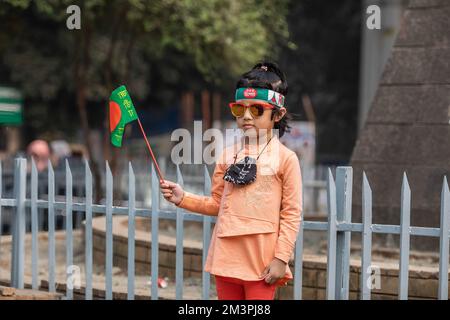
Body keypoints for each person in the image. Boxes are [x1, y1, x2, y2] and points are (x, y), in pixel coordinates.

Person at [160, 61, 302, 300]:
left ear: (277, 114)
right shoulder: (227, 154)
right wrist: (183, 198)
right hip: (225, 259)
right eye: (239, 109)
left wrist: (281, 258)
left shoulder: (287, 159)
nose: (246, 117)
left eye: (256, 110)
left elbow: (291, 214)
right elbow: (217, 203)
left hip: (262, 263)